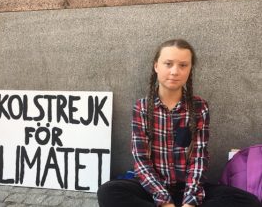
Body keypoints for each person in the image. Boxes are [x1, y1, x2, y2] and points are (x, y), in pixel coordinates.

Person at [97, 39, 262, 207]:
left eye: (183, 65)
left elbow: (199, 158)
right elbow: (141, 161)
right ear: (156, 66)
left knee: (248, 202)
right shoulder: (142, 107)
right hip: (152, 190)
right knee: (108, 192)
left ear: (190, 70)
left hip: (188, 189)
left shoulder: (199, 107)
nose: (175, 71)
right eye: (168, 64)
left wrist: (190, 202)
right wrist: (165, 201)